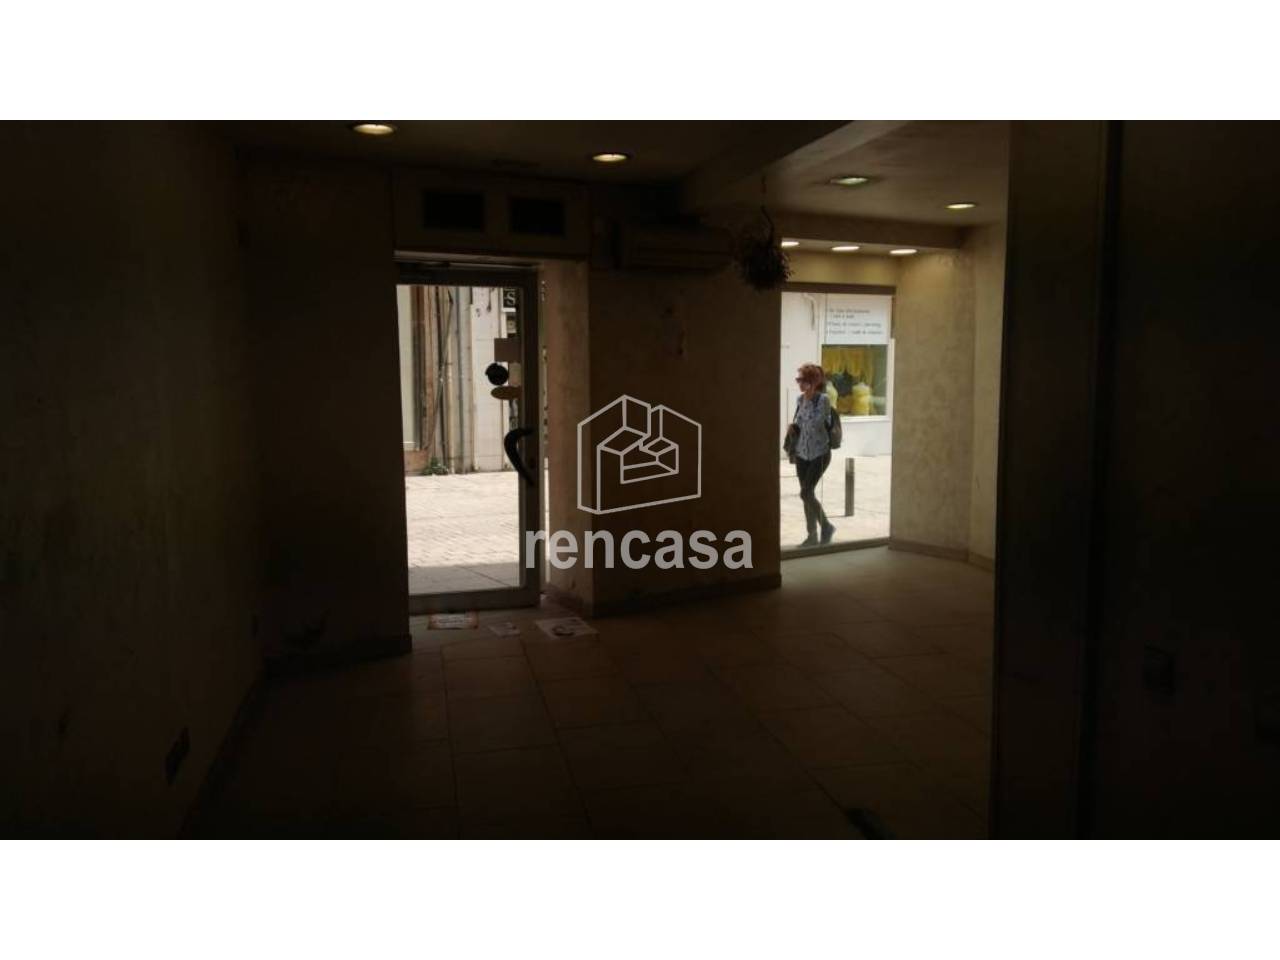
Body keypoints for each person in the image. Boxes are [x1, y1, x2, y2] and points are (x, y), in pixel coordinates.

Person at [790, 363, 836, 547]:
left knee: (806, 492)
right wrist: (793, 427)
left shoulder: (822, 400)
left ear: (814, 381)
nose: (800, 383)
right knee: (806, 495)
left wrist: (801, 422)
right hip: (802, 453)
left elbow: (816, 424)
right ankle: (812, 535)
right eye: (798, 379)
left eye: (803, 380)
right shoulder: (799, 400)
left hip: (820, 453)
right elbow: (800, 424)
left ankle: (827, 526)